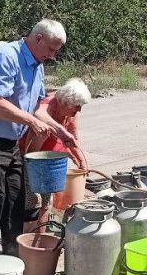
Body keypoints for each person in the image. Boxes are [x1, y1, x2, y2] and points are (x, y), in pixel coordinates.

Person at [0, 19, 78, 261]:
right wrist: (32, 123)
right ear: (38, 39)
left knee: (16, 199)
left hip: (8, 138)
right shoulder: (6, 55)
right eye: (52, 49)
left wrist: (59, 131)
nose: (54, 56)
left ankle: (12, 258)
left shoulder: (37, 66)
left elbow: (37, 108)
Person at [18, 78, 92, 227]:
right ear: (66, 101)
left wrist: (82, 162)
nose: (79, 110)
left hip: (50, 163)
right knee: (32, 202)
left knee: (46, 203)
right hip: (32, 160)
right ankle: (27, 241)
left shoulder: (69, 113)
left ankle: (41, 239)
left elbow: (72, 138)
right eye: (77, 106)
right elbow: (32, 149)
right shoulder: (46, 107)